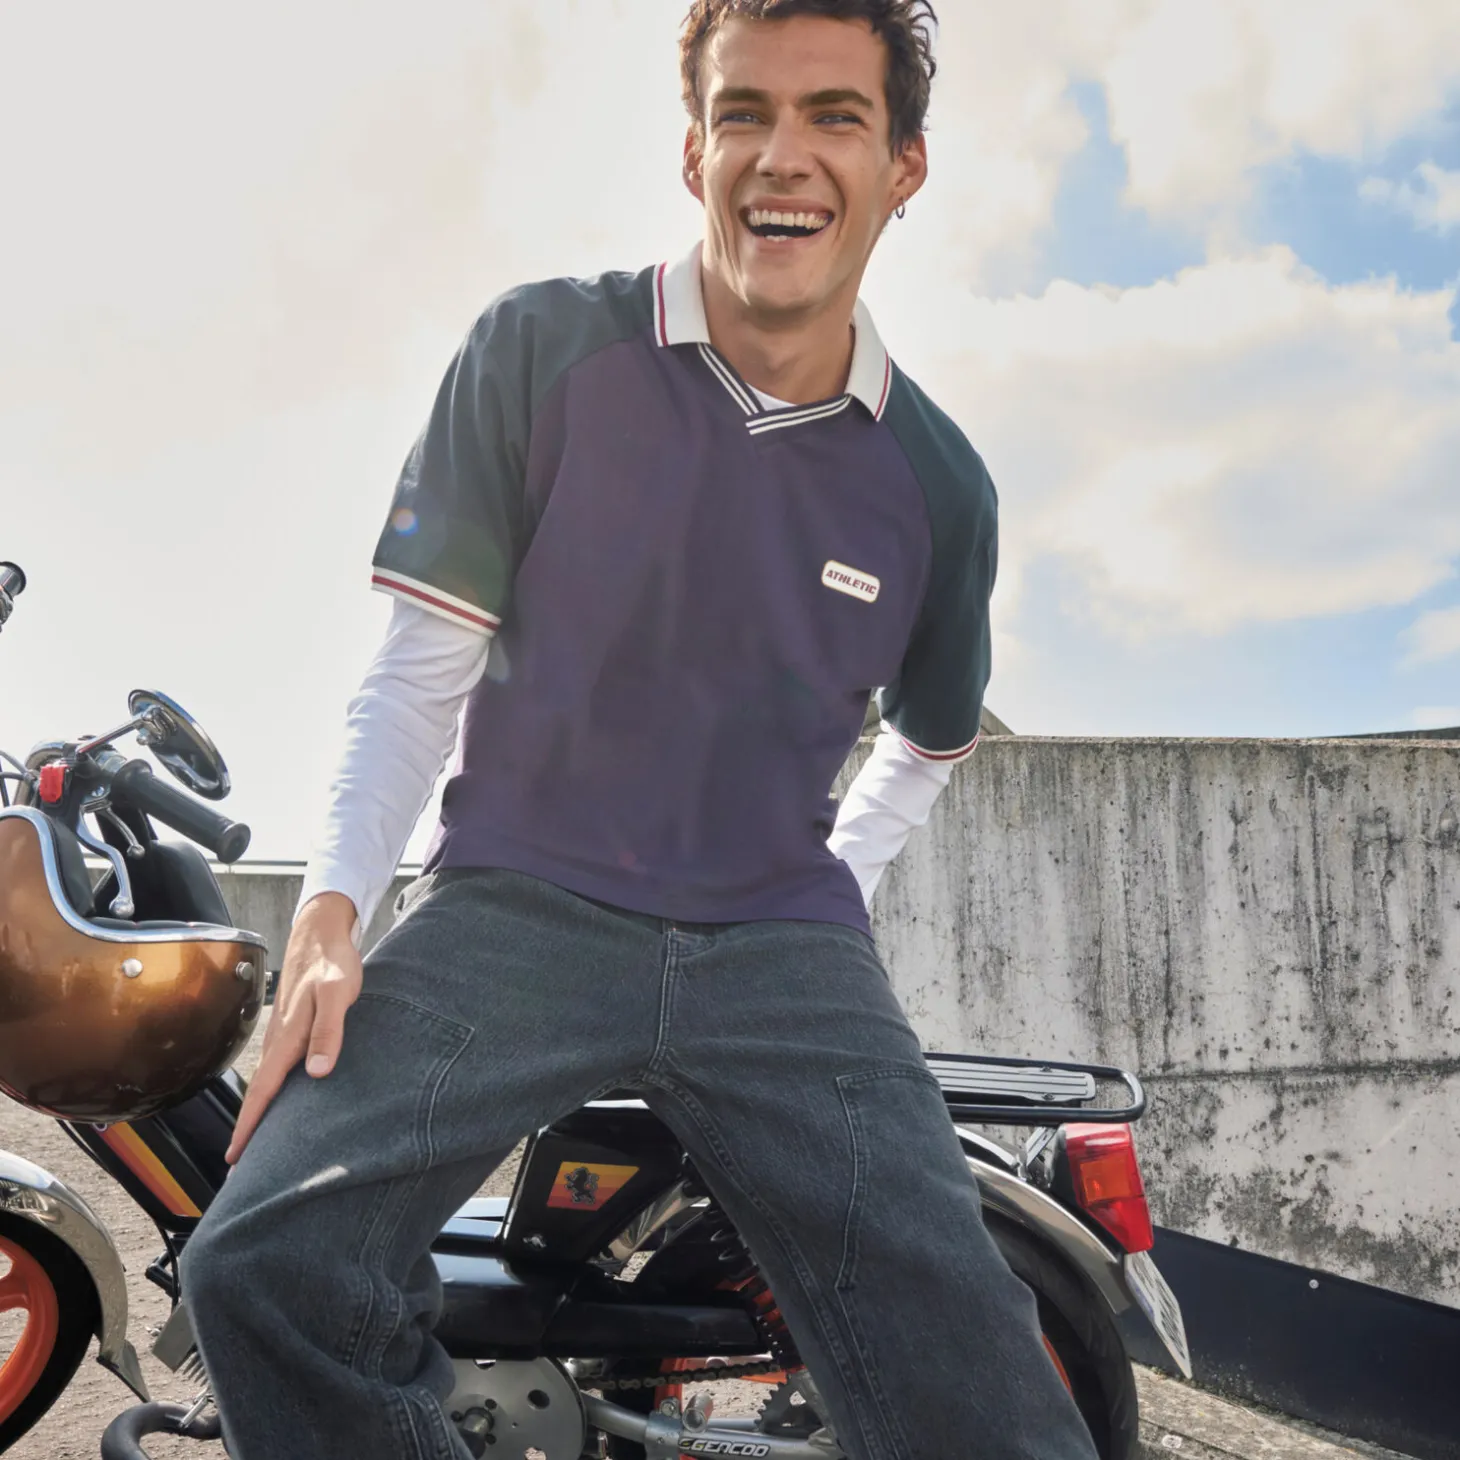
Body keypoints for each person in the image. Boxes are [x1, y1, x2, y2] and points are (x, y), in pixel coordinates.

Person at [182, 2, 1098, 1456]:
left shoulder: (940, 486)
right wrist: (334, 913)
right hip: (519, 906)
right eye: (745, 114)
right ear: (693, 153)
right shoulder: (542, 347)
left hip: (781, 942)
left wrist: (830, 898)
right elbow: (417, 674)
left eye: (835, 116)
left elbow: (930, 743)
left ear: (904, 168)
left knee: (979, 1380)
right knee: (262, 1262)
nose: (782, 156)